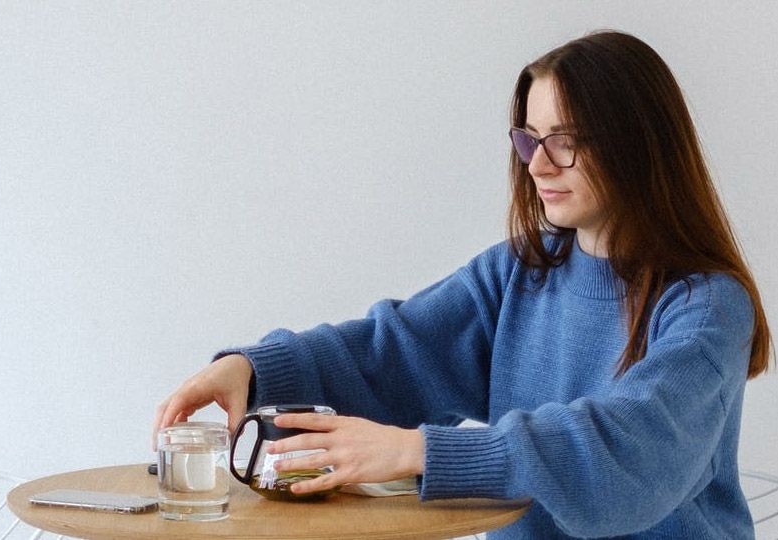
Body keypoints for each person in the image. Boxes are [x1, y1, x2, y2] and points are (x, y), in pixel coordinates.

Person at [153, 30, 773, 538]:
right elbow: (392, 353)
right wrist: (253, 371)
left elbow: (631, 450)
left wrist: (419, 452)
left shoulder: (708, 307)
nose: (537, 164)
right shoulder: (518, 273)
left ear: (638, 145)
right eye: (530, 139)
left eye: (565, 142)